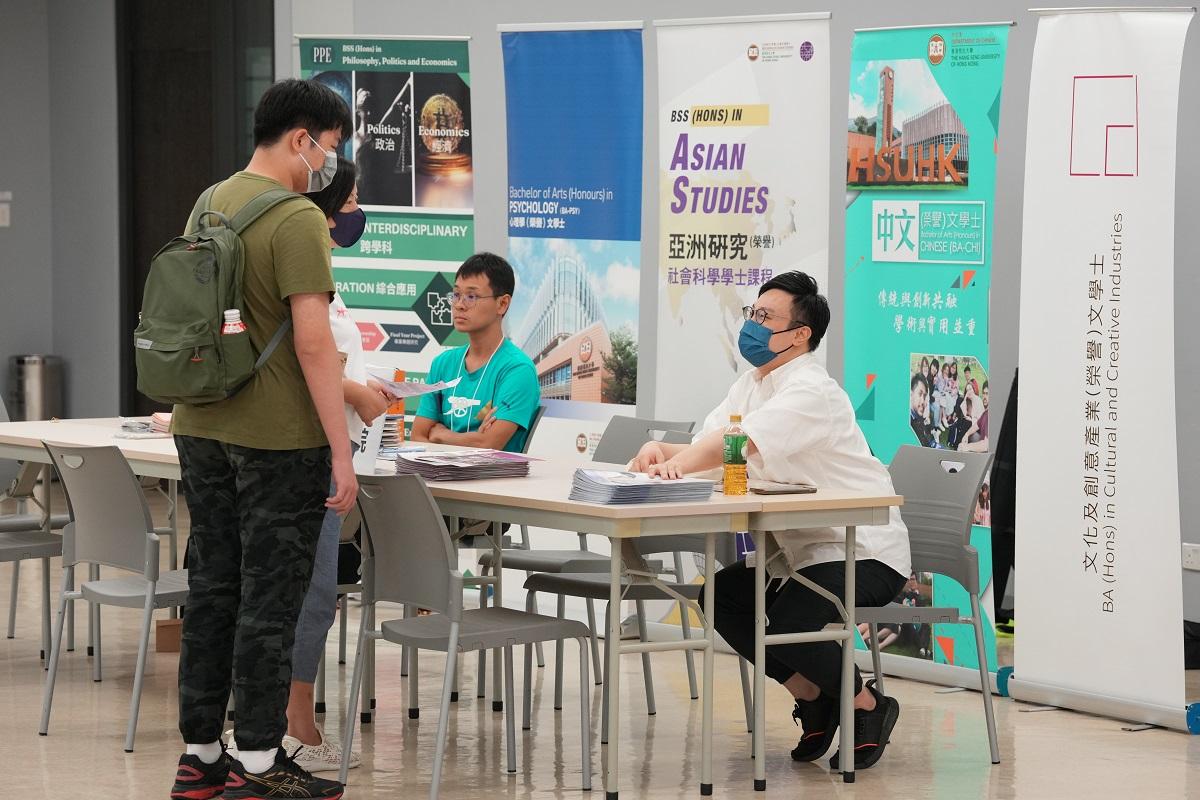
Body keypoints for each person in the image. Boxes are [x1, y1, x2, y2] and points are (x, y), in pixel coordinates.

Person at [628, 271, 910, 771]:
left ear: (800, 334)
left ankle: (867, 703)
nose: (752, 325)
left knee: (791, 621)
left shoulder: (811, 392)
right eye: (751, 315)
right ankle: (815, 694)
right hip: (800, 555)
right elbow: (710, 446)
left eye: (765, 317)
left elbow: (740, 445)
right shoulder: (752, 384)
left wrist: (681, 464)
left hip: (862, 550)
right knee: (721, 595)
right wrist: (660, 451)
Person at [169, 78, 353, 800]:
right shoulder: (298, 218)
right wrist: (341, 450)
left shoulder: (209, 200)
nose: (328, 165)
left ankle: (199, 756)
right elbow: (314, 345)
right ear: (302, 138)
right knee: (269, 600)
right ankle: (256, 763)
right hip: (277, 439)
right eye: (330, 149)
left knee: (212, 588)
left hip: (201, 424)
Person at [224, 157, 391, 773]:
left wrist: (364, 387)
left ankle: (273, 723)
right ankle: (291, 723)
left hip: (310, 444)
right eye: (348, 204)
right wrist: (355, 396)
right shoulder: (298, 250)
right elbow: (304, 356)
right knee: (309, 594)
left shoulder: (314, 264)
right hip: (306, 451)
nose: (354, 216)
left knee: (299, 592)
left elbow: (325, 355)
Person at [411, 252, 540, 453]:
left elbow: (488, 444)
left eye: (471, 296)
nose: (459, 305)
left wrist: (442, 435)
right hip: (438, 478)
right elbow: (418, 437)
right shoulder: (443, 363)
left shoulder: (517, 369)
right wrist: (472, 438)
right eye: (456, 295)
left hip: (494, 482)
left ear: (502, 304)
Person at [909, 374, 937, 447]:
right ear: (911, 394)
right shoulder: (908, 422)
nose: (922, 401)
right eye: (920, 394)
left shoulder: (919, 419)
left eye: (924, 396)